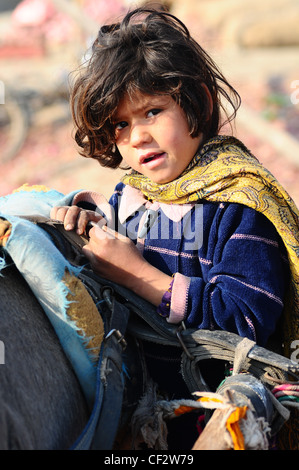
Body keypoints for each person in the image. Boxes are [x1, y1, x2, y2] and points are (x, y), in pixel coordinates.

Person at [50, 7, 299, 448]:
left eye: (151, 112)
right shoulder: (132, 197)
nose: (138, 137)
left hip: (216, 408)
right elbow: (112, 253)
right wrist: (89, 225)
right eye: (121, 125)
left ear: (196, 102)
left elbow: (244, 321)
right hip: (143, 406)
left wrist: (141, 276)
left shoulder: (236, 206)